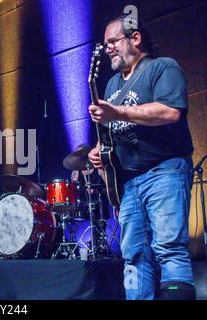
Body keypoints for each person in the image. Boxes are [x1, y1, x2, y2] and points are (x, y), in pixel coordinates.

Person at [88, 15, 196, 300]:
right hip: (128, 183)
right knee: (133, 257)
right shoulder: (112, 85)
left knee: (169, 247)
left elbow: (170, 112)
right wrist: (100, 152)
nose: (108, 48)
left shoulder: (162, 68)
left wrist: (118, 112)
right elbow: (112, 132)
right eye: (105, 44)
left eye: (113, 41)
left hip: (164, 171)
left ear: (135, 39)